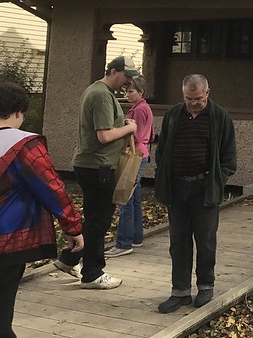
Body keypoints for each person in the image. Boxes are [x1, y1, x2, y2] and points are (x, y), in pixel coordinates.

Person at [0, 82, 84, 338]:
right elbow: (50, 187)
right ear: (18, 112)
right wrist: (73, 227)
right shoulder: (24, 146)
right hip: (9, 240)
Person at [54, 55, 139, 289]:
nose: (129, 82)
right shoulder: (101, 95)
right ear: (113, 71)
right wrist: (129, 128)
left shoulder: (98, 91)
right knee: (99, 220)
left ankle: (69, 259)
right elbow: (104, 135)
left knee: (93, 217)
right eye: (126, 76)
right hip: (98, 166)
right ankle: (92, 273)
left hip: (91, 164)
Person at [154, 74, 237, 314]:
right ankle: (179, 291)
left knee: (206, 240)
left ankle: (205, 286)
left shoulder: (220, 116)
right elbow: (162, 150)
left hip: (204, 188)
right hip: (177, 188)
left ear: (207, 93)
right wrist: (162, 174)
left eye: (198, 98)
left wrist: (218, 180)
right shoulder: (173, 115)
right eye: (189, 98)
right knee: (178, 242)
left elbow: (229, 157)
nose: (193, 103)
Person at [106, 76, 153, 258]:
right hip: (140, 155)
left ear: (140, 92)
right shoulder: (141, 108)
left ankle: (124, 242)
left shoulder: (140, 110)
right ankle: (136, 237)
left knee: (124, 197)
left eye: (131, 91)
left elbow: (138, 136)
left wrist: (123, 131)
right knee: (134, 197)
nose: (127, 94)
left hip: (134, 156)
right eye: (126, 91)